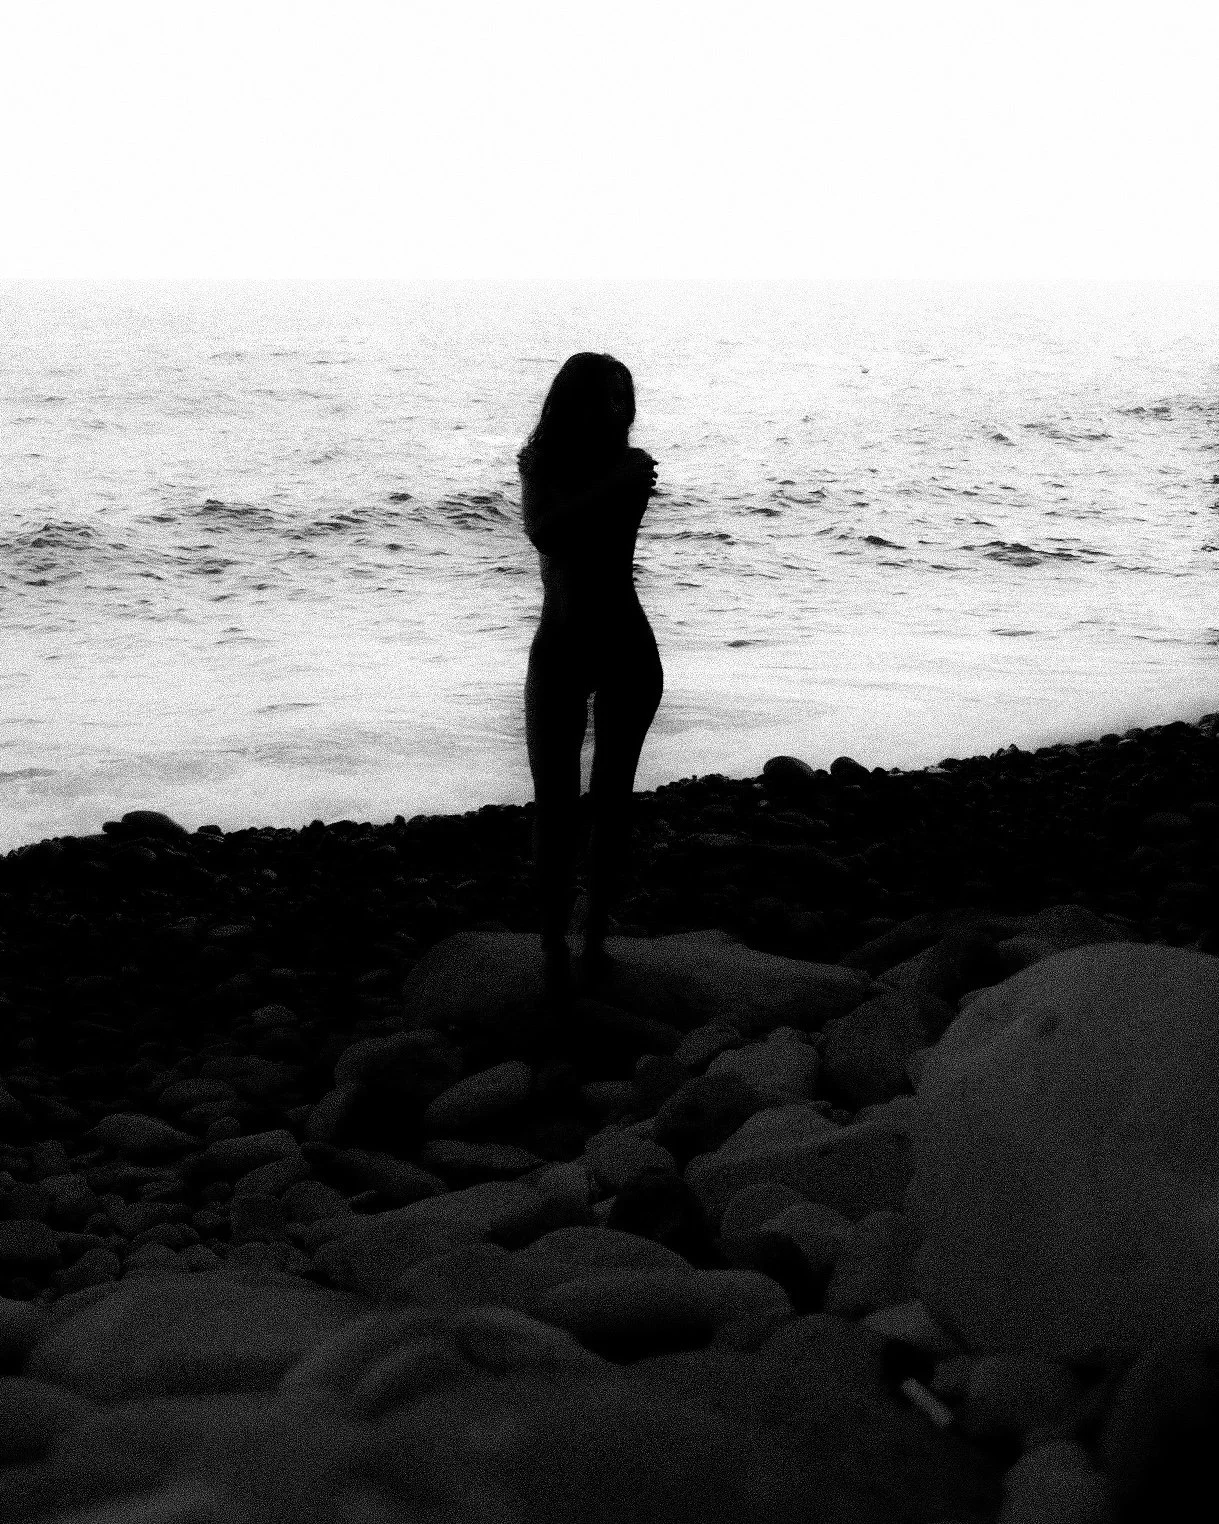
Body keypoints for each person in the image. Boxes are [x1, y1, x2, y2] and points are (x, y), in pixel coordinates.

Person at [518, 352, 663, 1009]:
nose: (618, 411)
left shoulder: (629, 470)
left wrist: (610, 478)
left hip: (624, 646)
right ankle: (551, 948)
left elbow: (553, 527)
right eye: (604, 398)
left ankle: (595, 941)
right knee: (554, 806)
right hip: (558, 648)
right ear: (572, 402)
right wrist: (608, 480)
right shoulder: (574, 466)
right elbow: (545, 534)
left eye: (623, 399)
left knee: (610, 804)